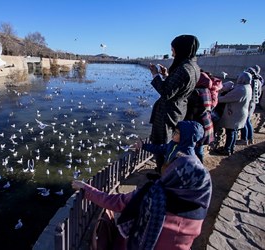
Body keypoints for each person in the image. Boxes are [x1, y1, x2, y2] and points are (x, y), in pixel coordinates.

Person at [71, 121, 212, 250]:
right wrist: (144, 146)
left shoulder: (151, 196)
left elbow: (114, 202)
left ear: (171, 176)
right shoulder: (199, 209)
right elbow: (162, 149)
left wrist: (86, 188)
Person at [148, 34, 200, 174]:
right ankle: (163, 170)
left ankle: (162, 173)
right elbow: (177, 88)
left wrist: (155, 75)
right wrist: (166, 76)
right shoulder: (193, 66)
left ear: (181, 49)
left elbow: (166, 92)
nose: (172, 53)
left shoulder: (184, 68)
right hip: (178, 110)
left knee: (162, 143)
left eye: (173, 49)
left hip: (167, 113)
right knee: (171, 143)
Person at [215, 71, 252, 156]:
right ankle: (231, 148)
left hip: (235, 113)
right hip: (240, 112)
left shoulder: (241, 89)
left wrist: (216, 98)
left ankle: (227, 149)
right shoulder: (247, 87)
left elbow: (227, 98)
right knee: (234, 131)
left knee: (231, 132)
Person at [185, 72, 215, 163]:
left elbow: (189, 110)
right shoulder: (207, 90)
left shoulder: (195, 92)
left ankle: (194, 168)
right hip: (207, 123)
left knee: (194, 150)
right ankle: (200, 166)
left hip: (198, 125)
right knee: (200, 148)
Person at [237, 66, 263, 145]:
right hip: (253, 103)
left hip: (249, 103)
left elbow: (250, 93)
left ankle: (244, 139)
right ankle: (250, 138)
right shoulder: (258, 80)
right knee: (248, 121)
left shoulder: (253, 81)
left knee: (244, 121)